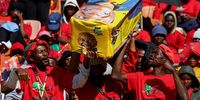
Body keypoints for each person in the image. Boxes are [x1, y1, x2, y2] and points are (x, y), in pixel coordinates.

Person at [2, 40, 91, 100]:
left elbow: (79, 82)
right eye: (41, 52)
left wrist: (87, 58)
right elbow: (4, 89)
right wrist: (15, 72)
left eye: (46, 51)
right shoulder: (26, 73)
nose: (45, 54)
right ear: (32, 58)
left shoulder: (57, 72)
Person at [111, 35, 188, 100]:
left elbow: (184, 98)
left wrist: (173, 71)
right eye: (152, 53)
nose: (151, 55)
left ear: (164, 60)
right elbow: (115, 75)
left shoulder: (173, 80)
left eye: (155, 53)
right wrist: (125, 45)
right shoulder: (140, 76)